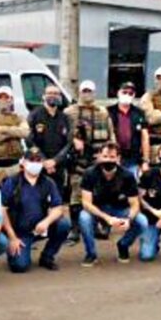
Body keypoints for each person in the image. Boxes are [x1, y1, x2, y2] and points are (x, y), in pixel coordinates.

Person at [0, 148, 71, 273]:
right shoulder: (12, 182)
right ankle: (12, 251)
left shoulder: (48, 182)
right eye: (31, 160)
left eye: (38, 160)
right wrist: (12, 237)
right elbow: (2, 210)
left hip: (40, 229)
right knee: (19, 266)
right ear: (23, 162)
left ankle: (47, 257)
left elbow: (58, 208)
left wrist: (47, 222)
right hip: (19, 233)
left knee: (63, 224)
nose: (35, 163)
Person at [78, 142, 148, 266]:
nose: (108, 160)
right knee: (84, 217)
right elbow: (86, 203)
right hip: (97, 209)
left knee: (142, 221)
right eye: (105, 156)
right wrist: (107, 219)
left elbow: (135, 204)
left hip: (120, 209)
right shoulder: (89, 173)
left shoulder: (127, 176)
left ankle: (123, 245)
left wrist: (128, 219)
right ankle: (91, 254)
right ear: (98, 157)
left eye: (112, 157)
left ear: (118, 159)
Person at [64, 79, 115, 243]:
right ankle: (75, 229)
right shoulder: (69, 112)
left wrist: (112, 155)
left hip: (98, 161)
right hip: (78, 162)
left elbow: (111, 135)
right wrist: (73, 142)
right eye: (84, 91)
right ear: (79, 92)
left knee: (101, 194)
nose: (87, 94)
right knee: (76, 195)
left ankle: (102, 225)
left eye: (90, 91)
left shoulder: (103, 112)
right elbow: (62, 135)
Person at [27, 82, 72, 196]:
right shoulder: (34, 115)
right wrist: (44, 161)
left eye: (56, 93)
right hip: (39, 164)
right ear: (44, 96)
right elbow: (29, 141)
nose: (53, 96)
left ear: (60, 97)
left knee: (57, 197)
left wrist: (55, 161)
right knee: (39, 197)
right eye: (50, 93)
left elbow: (68, 142)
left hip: (58, 165)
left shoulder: (64, 117)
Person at [112, 81, 150, 179]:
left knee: (132, 187)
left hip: (133, 159)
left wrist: (145, 161)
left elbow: (145, 137)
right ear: (118, 93)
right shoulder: (109, 111)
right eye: (124, 92)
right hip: (114, 158)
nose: (127, 95)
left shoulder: (139, 113)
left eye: (130, 93)